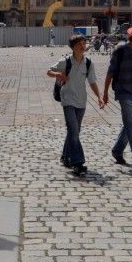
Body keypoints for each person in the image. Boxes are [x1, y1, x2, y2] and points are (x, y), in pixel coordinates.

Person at [47, 34, 103, 176]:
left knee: (74, 131)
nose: (83, 45)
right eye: (79, 43)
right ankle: (77, 162)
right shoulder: (65, 61)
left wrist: (99, 97)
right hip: (68, 100)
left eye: (84, 43)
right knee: (73, 130)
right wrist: (58, 75)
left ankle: (65, 157)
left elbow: (92, 82)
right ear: (73, 47)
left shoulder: (88, 62)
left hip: (81, 101)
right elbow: (49, 71)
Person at [103, 26, 132, 174]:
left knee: (130, 126)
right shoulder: (120, 51)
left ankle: (117, 151)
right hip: (124, 93)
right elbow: (110, 72)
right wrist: (105, 93)